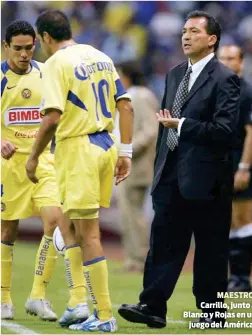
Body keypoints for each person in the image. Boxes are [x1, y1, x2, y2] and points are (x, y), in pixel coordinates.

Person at [118, 10, 240, 328]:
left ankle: (213, 314)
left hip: (209, 178)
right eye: (184, 30)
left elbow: (225, 131)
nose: (186, 36)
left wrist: (182, 124)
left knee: (210, 249)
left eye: (194, 31)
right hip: (171, 172)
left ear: (211, 39)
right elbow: (165, 124)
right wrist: (161, 166)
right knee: (163, 242)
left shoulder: (226, 79)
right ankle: (152, 306)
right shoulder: (173, 74)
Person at [25, 10, 133, 332]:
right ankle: (77, 303)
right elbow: (124, 104)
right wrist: (124, 152)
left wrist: (33, 157)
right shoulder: (100, 55)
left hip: (78, 148)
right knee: (67, 223)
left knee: (89, 234)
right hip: (105, 143)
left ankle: (103, 316)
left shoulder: (57, 62)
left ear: (45, 37)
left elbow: (53, 117)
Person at [1, 20, 63, 321]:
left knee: (55, 220)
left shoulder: (46, 73)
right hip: (8, 166)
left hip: (42, 162)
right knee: (7, 230)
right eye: (18, 49)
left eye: (29, 48)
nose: (24, 54)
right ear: (5, 47)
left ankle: (38, 295)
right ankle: (3, 299)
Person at [218, 45, 252, 292]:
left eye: (231, 58)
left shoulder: (248, 92)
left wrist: (244, 167)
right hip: (218, 161)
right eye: (222, 58)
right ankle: (232, 276)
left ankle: (242, 277)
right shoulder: (218, 89)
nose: (225, 62)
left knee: (242, 218)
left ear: (241, 62)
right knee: (228, 220)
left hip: (238, 161)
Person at [116, 62, 158, 273]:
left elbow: (151, 129)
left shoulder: (140, 95)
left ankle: (140, 259)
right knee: (128, 214)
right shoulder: (133, 95)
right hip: (129, 164)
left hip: (136, 165)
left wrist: (127, 150)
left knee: (134, 213)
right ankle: (133, 259)